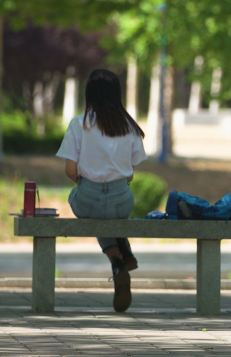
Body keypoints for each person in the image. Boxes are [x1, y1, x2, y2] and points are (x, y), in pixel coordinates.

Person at [56, 68, 147, 313]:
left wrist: (88, 184)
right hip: (121, 200)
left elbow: (69, 170)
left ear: (90, 94)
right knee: (110, 212)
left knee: (92, 208)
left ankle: (117, 261)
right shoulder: (129, 126)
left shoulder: (79, 124)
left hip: (87, 198)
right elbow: (130, 173)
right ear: (117, 94)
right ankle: (122, 250)